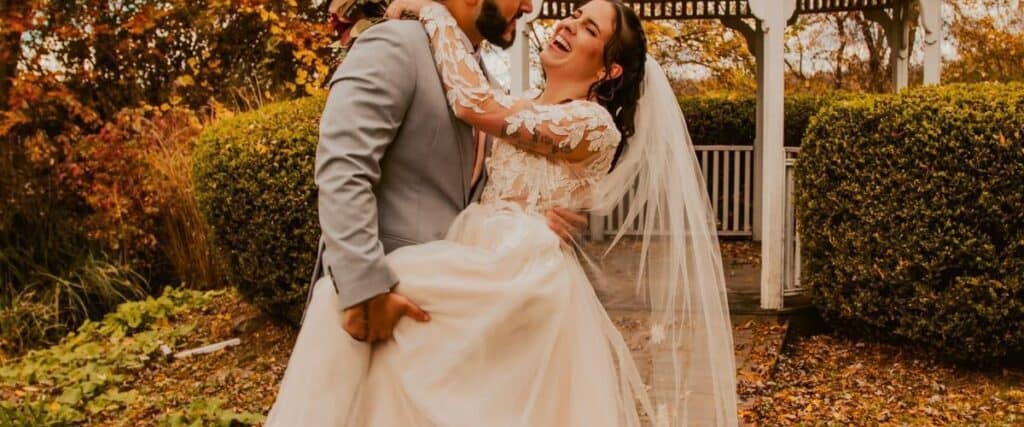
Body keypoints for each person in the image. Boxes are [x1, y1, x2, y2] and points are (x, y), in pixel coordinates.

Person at [268, 0, 738, 424]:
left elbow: (474, 106)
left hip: (515, 277)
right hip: (467, 262)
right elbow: (354, 166)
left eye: (589, 28)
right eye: (575, 15)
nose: (562, 21)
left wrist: (431, 11)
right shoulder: (493, 89)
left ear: (609, 70)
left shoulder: (589, 123)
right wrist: (529, 212)